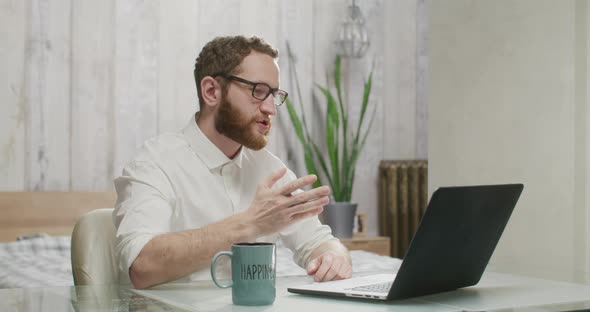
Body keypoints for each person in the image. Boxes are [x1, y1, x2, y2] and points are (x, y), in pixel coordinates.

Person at [113, 35, 352, 289]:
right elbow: (142, 266)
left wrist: (334, 256)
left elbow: (319, 242)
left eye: (274, 94)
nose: (271, 109)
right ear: (211, 91)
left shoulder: (270, 169)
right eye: (258, 91)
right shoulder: (154, 163)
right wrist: (251, 223)